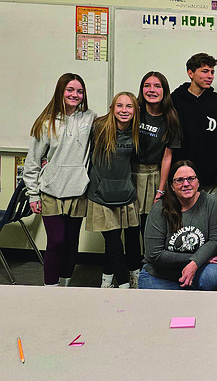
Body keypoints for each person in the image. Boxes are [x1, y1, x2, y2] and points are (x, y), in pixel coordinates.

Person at [24, 73, 97, 287]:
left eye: (79, 91)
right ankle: (50, 288)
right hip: (51, 191)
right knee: (56, 241)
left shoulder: (90, 118)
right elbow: (33, 161)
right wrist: (33, 194)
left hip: (78, 190)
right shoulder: (46, 122)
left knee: (71, 242)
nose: (75, 95)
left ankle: (65, 287)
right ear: (60, 92)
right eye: (70, 90)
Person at [139, 160, 217, 290]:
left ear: (198, 182)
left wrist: (195, 264)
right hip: (161, 274)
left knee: (215, 276)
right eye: (179, 180)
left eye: (191, 179)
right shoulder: (160, 208)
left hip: (198, 271)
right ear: (171, 186)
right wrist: (196, 260)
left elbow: (216, 240)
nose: (186, 184)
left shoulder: (210, 202)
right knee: (153, 302)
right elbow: (154, 254)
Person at [128, 72, 182, 287]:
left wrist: (161, 190)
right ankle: (132, 272)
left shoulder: (171, 117)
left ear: (164, 90)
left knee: (149, 226)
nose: (152, 90)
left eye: (157, 86)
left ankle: (148, 271)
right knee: (130, 227)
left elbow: (168, 156)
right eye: (147, 86)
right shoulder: (134, 112)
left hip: (155, 175)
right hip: (130, 174)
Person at [85, 92, 142, 289]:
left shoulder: (136, 132)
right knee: (115, 245)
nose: (124, 110)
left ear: (135, 111)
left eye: (129, 106)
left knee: (113, 246)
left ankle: (106, 284)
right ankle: (125, 288)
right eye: (119, 106)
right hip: (100, 196)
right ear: (112, 108)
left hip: (124, 195)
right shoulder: (99, 127)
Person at [171, 53, 217, 205]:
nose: (210, 76)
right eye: (205, 71)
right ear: (190, 73)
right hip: (182, 180)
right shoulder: (174, 101)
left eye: (212, 72)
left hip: (212, 181)